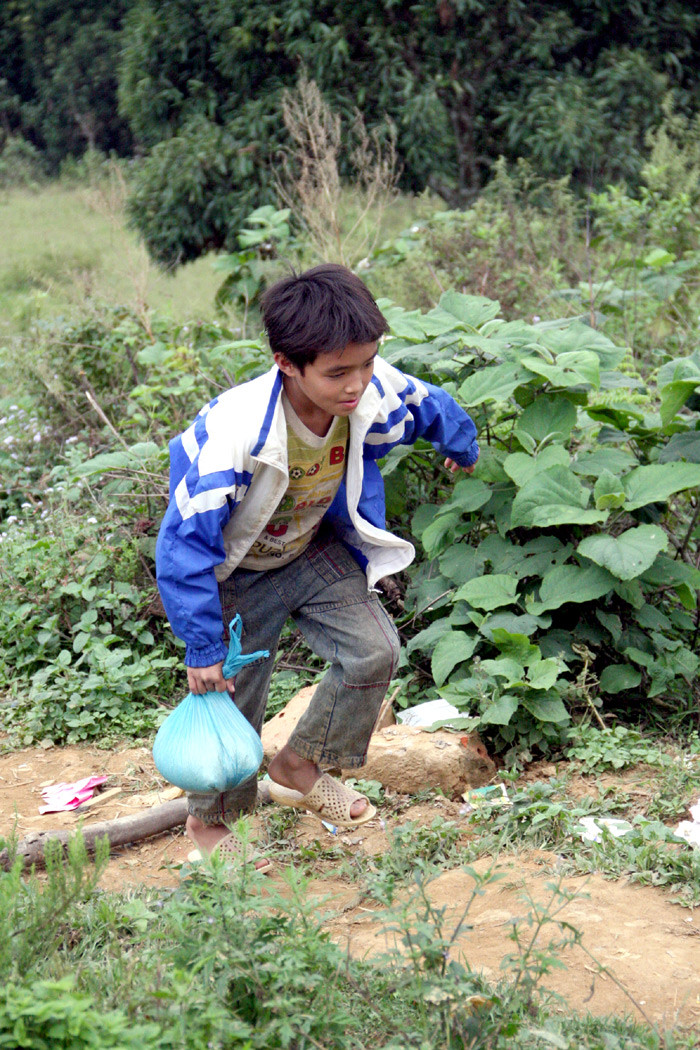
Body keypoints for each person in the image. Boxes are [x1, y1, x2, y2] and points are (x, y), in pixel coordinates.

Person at [155, 263, 479, 866]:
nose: (357, 384)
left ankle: (298, 765)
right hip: (238, 575)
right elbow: (183, 545)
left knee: (374, 651)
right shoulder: (237, 432)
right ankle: (211, 824)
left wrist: (460, 443)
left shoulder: (370, 388)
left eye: (368, 363)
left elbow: (425, 402)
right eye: (337, 373)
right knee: (233, 702)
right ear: (286, 363)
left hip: (310, 551)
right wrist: (201, 646)